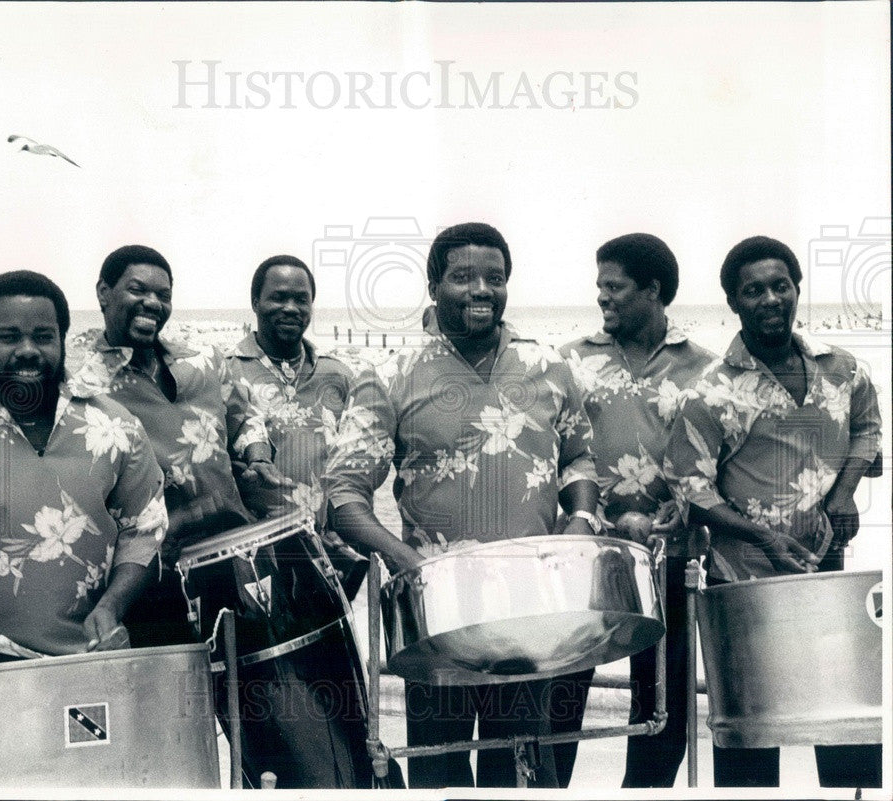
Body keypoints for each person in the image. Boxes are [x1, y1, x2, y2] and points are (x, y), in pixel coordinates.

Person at [323, 222, 601, 789]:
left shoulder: (550, 369)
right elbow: (343, 494)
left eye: (494, 279)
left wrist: (578, 521)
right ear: (433, 286)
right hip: (438, 615)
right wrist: (406, 561)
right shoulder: (392, 376)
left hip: (531, 612)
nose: (481, 290)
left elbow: (581, 461)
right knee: (440, 771)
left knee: (524, 771)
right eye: (463, 277)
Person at [664, 235, 883, 788]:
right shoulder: (710, 393)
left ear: (797, 291)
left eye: (780, 286)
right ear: (734, 304)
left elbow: (868, 429)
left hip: (826, 574)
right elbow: (690, 487)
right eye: (753, 290)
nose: (770, 299)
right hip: (745, 587)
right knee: (750, 740)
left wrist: (843, 494)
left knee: (848, 729)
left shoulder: (844, 370)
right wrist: (762, 537)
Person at [0, 271, 167, 672]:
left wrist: (112, 605)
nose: (28, 350)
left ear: (62, 341)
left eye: (43, 336)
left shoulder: (116, 427)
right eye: (9, 337)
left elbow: (144, 529)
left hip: (88, 657)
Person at [222, 254, 401, 788]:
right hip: (257, 571)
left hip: (329, 563)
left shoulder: (339, 376)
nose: (290, 307)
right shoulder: (224, 370)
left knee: (339, 696)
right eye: (278, 297)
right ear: (255, 302)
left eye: (301, 298)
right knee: (267, 705)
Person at [559, 233, 715, 787]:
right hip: (586, 547)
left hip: (669, 552)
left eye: (615, 287)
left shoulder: (703, 369)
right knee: (564, 686)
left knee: (661, 700)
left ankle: (641, 795)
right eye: (600, 286)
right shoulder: (572, 362)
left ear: (654, 291)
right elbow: (554, 447)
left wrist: (687, 505)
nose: (602, 297)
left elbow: (719, 458)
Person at [75, 244, 285, 649]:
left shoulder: (205, 360)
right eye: (138, 290)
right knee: (181, 702)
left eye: (163, 295)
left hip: (239, 553)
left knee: (256, 687)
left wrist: (258, 455)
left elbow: (245, 416)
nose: (152, 303)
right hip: (158, 578)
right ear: (104, 293)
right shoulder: (85, 394)